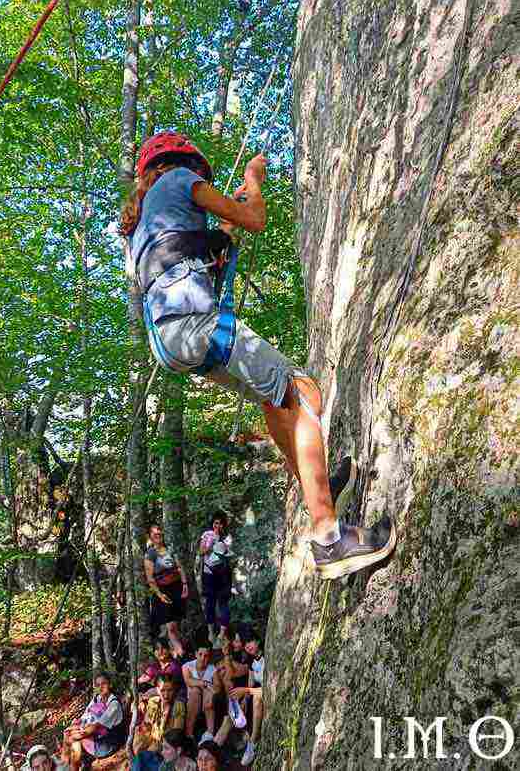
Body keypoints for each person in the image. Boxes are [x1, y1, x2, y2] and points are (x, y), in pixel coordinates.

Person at [121, 131, 396, 580]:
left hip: (172, 341)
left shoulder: (142, 229)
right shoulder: (178, 182)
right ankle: (329, 538)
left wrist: (222, 230)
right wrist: (253, 178)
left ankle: (315, 481)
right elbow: (254, 219)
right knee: (303, 394)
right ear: (184, 164)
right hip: (197, 323)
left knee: (272, 398)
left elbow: (211, 246)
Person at [144, 523, 188, 656]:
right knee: (171, 627)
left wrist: (185, 585)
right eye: (155, 534)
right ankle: (181, 655)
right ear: (150, 537)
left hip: (176, 587)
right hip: (163, 590)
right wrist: (159, 594)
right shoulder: (150, 554)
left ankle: (178, 652)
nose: (158, 535)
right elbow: (150, 578)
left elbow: (179, 567)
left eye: (159, 533)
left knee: (177, 624)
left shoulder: (169, 549)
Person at [65, 672, 124, 768]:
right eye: (98, 685)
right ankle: (69, 765)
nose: (100, 687)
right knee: (68, 735)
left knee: (74, 742)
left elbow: (95, 727)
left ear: (110, 684)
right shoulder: (97, 698)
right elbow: (84, 716)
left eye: (103, 683)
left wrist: (75, 734)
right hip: (96, 735)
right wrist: (75, 725)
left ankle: (74, 766)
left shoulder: (114, 705)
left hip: (107, 743)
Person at [133, 673, 187, 764]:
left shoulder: (178, 706)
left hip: (166, 748)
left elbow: (176, 736)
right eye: (162, 690)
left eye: (170, 690)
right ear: (157, 690)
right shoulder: (153, 702)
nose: (166, 695)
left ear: (174, 690)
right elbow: (147, 728)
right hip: (151, 742)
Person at [229, 633, 264, 766]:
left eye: (250, 641)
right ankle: (243, 737)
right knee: (243, 701)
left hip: (266, 693)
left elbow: (267, 687)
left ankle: (253, 742)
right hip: (257, 692)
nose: (247, 646)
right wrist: (244, 700)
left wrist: (246, 691)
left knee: (256, 698)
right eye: (245, 643)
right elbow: (250, 684)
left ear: (258, 640)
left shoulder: (267, 657)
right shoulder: (251, 661)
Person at [199, 511, 233, 643]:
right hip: (209, 574)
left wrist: (223, 546)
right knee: (210, 603)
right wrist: (212, 544)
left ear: (224, 526)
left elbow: (228, 554)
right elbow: (201, 551)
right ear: (212, 523)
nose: (218, 526)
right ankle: (211, 632)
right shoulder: (207, 535)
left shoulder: (227, 537)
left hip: (223, 574)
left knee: (223, 602)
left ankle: (222, 633)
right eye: (216, 523)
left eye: (220, 524)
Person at [182, 642, 216, 741]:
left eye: (206, 656)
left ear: (209, 657)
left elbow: (217, 687)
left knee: (207, 692)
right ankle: (189, 734)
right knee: (195, 691)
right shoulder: (187, 666)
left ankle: (210, 733)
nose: (202, 658)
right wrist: (205, 684)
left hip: (207, 699)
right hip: (193, 699)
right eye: (200, 654)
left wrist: (208, 689)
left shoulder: (212, 669)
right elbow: (189, 681)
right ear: (196, 654)